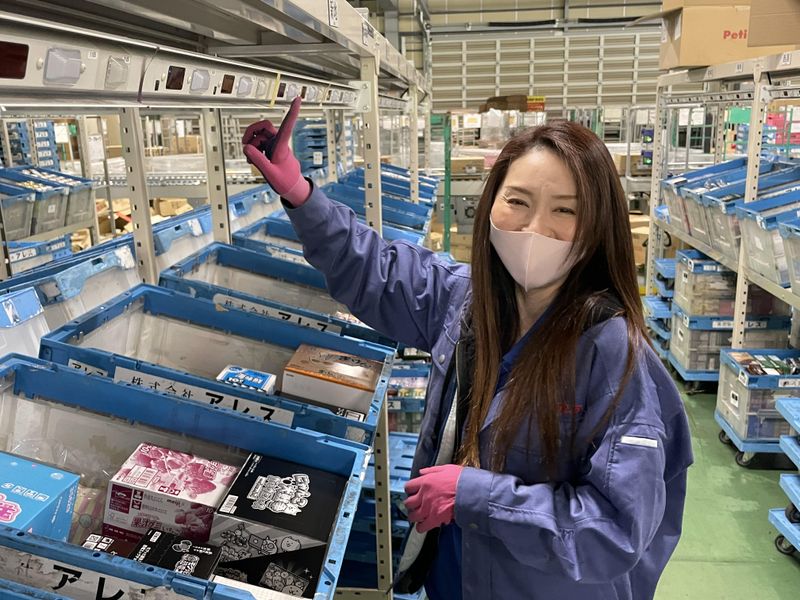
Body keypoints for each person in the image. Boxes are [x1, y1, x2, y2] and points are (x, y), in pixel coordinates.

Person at [243, 98, 694, 600]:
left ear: (597, 224)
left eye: (565, 210)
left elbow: (616, 528)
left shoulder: (615, 355)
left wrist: (475, 496)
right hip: (455, 579)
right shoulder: (466, 300)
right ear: (491, 203)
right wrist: (299, 192)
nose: (534, 228)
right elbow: (376, 269)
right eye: (517, 201)